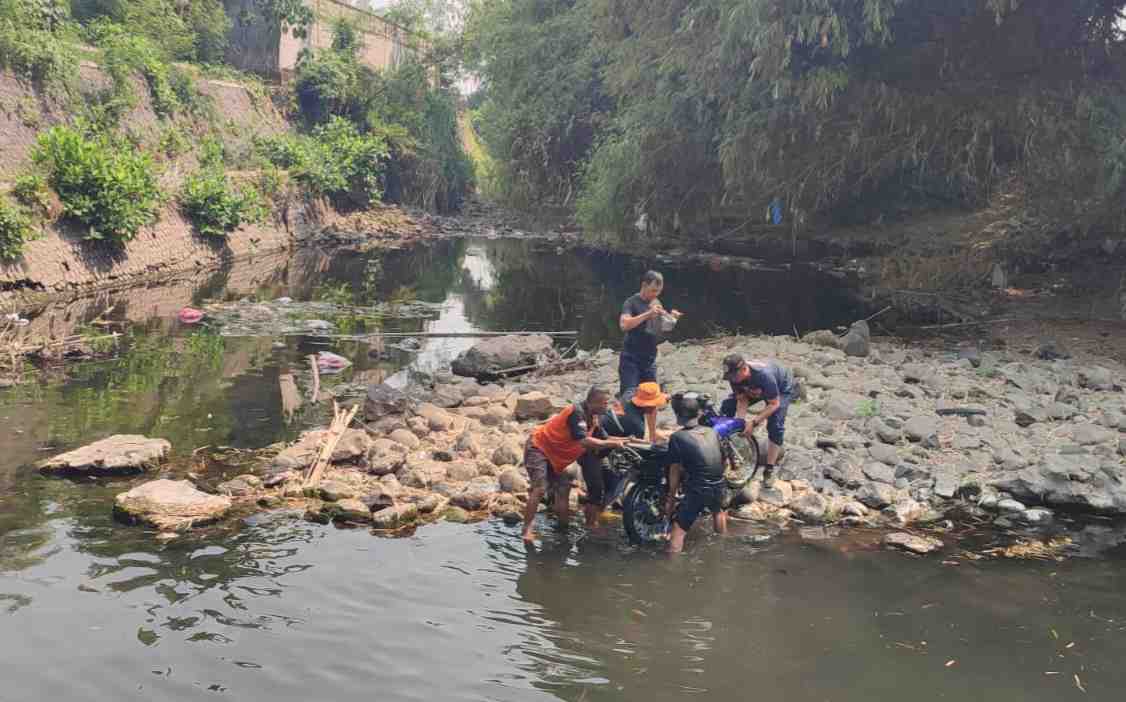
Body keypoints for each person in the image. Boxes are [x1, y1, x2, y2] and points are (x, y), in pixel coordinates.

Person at [522, 386, 630, 544]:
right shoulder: (576, 412)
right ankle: (527, 530)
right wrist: (612, 445)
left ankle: (563, 528)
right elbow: (585, 441)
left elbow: (604, 437)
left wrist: (628, 440)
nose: (607, 406)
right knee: (539, 489)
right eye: (605, 403)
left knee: (563, 487)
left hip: (556, 456)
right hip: (539, 448)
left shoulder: (593, 417)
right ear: (594, 402)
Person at [664, 392, 728, 554]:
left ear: (679, 416)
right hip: (719, 483)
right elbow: (723, 460)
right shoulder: (712, 432)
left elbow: (674, 470)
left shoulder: (677, 437)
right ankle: (721, 548)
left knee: (679, 528)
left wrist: (671, 498)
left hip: (699, 488)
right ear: (698, 414)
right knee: (718, 512)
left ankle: (671, 567)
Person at [720, 354, 796, 485]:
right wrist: (741, 424)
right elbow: (742, 399)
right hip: (755, 389)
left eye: (733, 376)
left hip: (780, 387)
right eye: (729, 377)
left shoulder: (763, 375)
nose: (731, 379)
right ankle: (726, 445)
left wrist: (754, 422)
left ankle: (769, 470)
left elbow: (774, 404)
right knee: (727, 406)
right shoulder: (734, 378)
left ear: (744, 369)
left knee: (775, 425)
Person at [618, 271, 682, 395]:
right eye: (653, 290)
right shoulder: (631, 302)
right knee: (629, 396)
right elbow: (624, 325)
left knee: (651, 398)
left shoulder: (656, 302)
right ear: (644, 285)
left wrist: (672, 319)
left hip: (649, 358)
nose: (656, 294)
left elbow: (664, 328)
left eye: (659, 291)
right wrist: (647, 314)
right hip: (631, 357)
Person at [601, 382, 669, 443]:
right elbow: (639, 444)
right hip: (601, 434)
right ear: (648, 406)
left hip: (603, 417)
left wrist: (653, 433)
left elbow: (651, 408)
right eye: (655, 404)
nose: (657, 406)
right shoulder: (636, 425)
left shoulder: (631, 393)